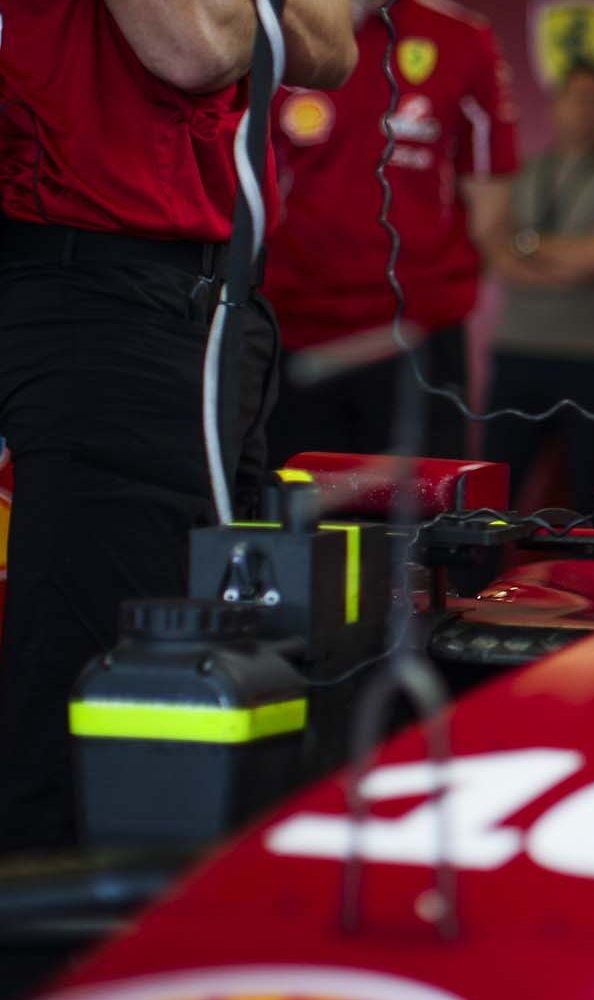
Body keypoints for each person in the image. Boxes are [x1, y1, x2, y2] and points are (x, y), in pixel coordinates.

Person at [0, 0, 356, 851]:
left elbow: (335, 50)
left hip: (214, 306)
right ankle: (57, 956)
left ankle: (171, 933)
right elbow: (199, 46)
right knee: (96, 673)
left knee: (204, 665)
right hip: (100, 285)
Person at [265, 0, 520, 465]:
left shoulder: (461, 38)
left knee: (419, 523)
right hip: (290, 336)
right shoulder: (274, 22)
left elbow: (491, 209)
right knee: (296, 523)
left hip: (417, 342)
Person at [484, 64, 594, 516]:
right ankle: (474, 588)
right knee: (492, 494)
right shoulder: (522, 172)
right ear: (555, 105)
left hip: (592, 358)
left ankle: (584, 586)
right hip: (517, 350)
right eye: (574, 98)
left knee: (591, 494)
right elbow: (496, 252)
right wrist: (564, 262)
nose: (583, 111)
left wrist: (530, 248)